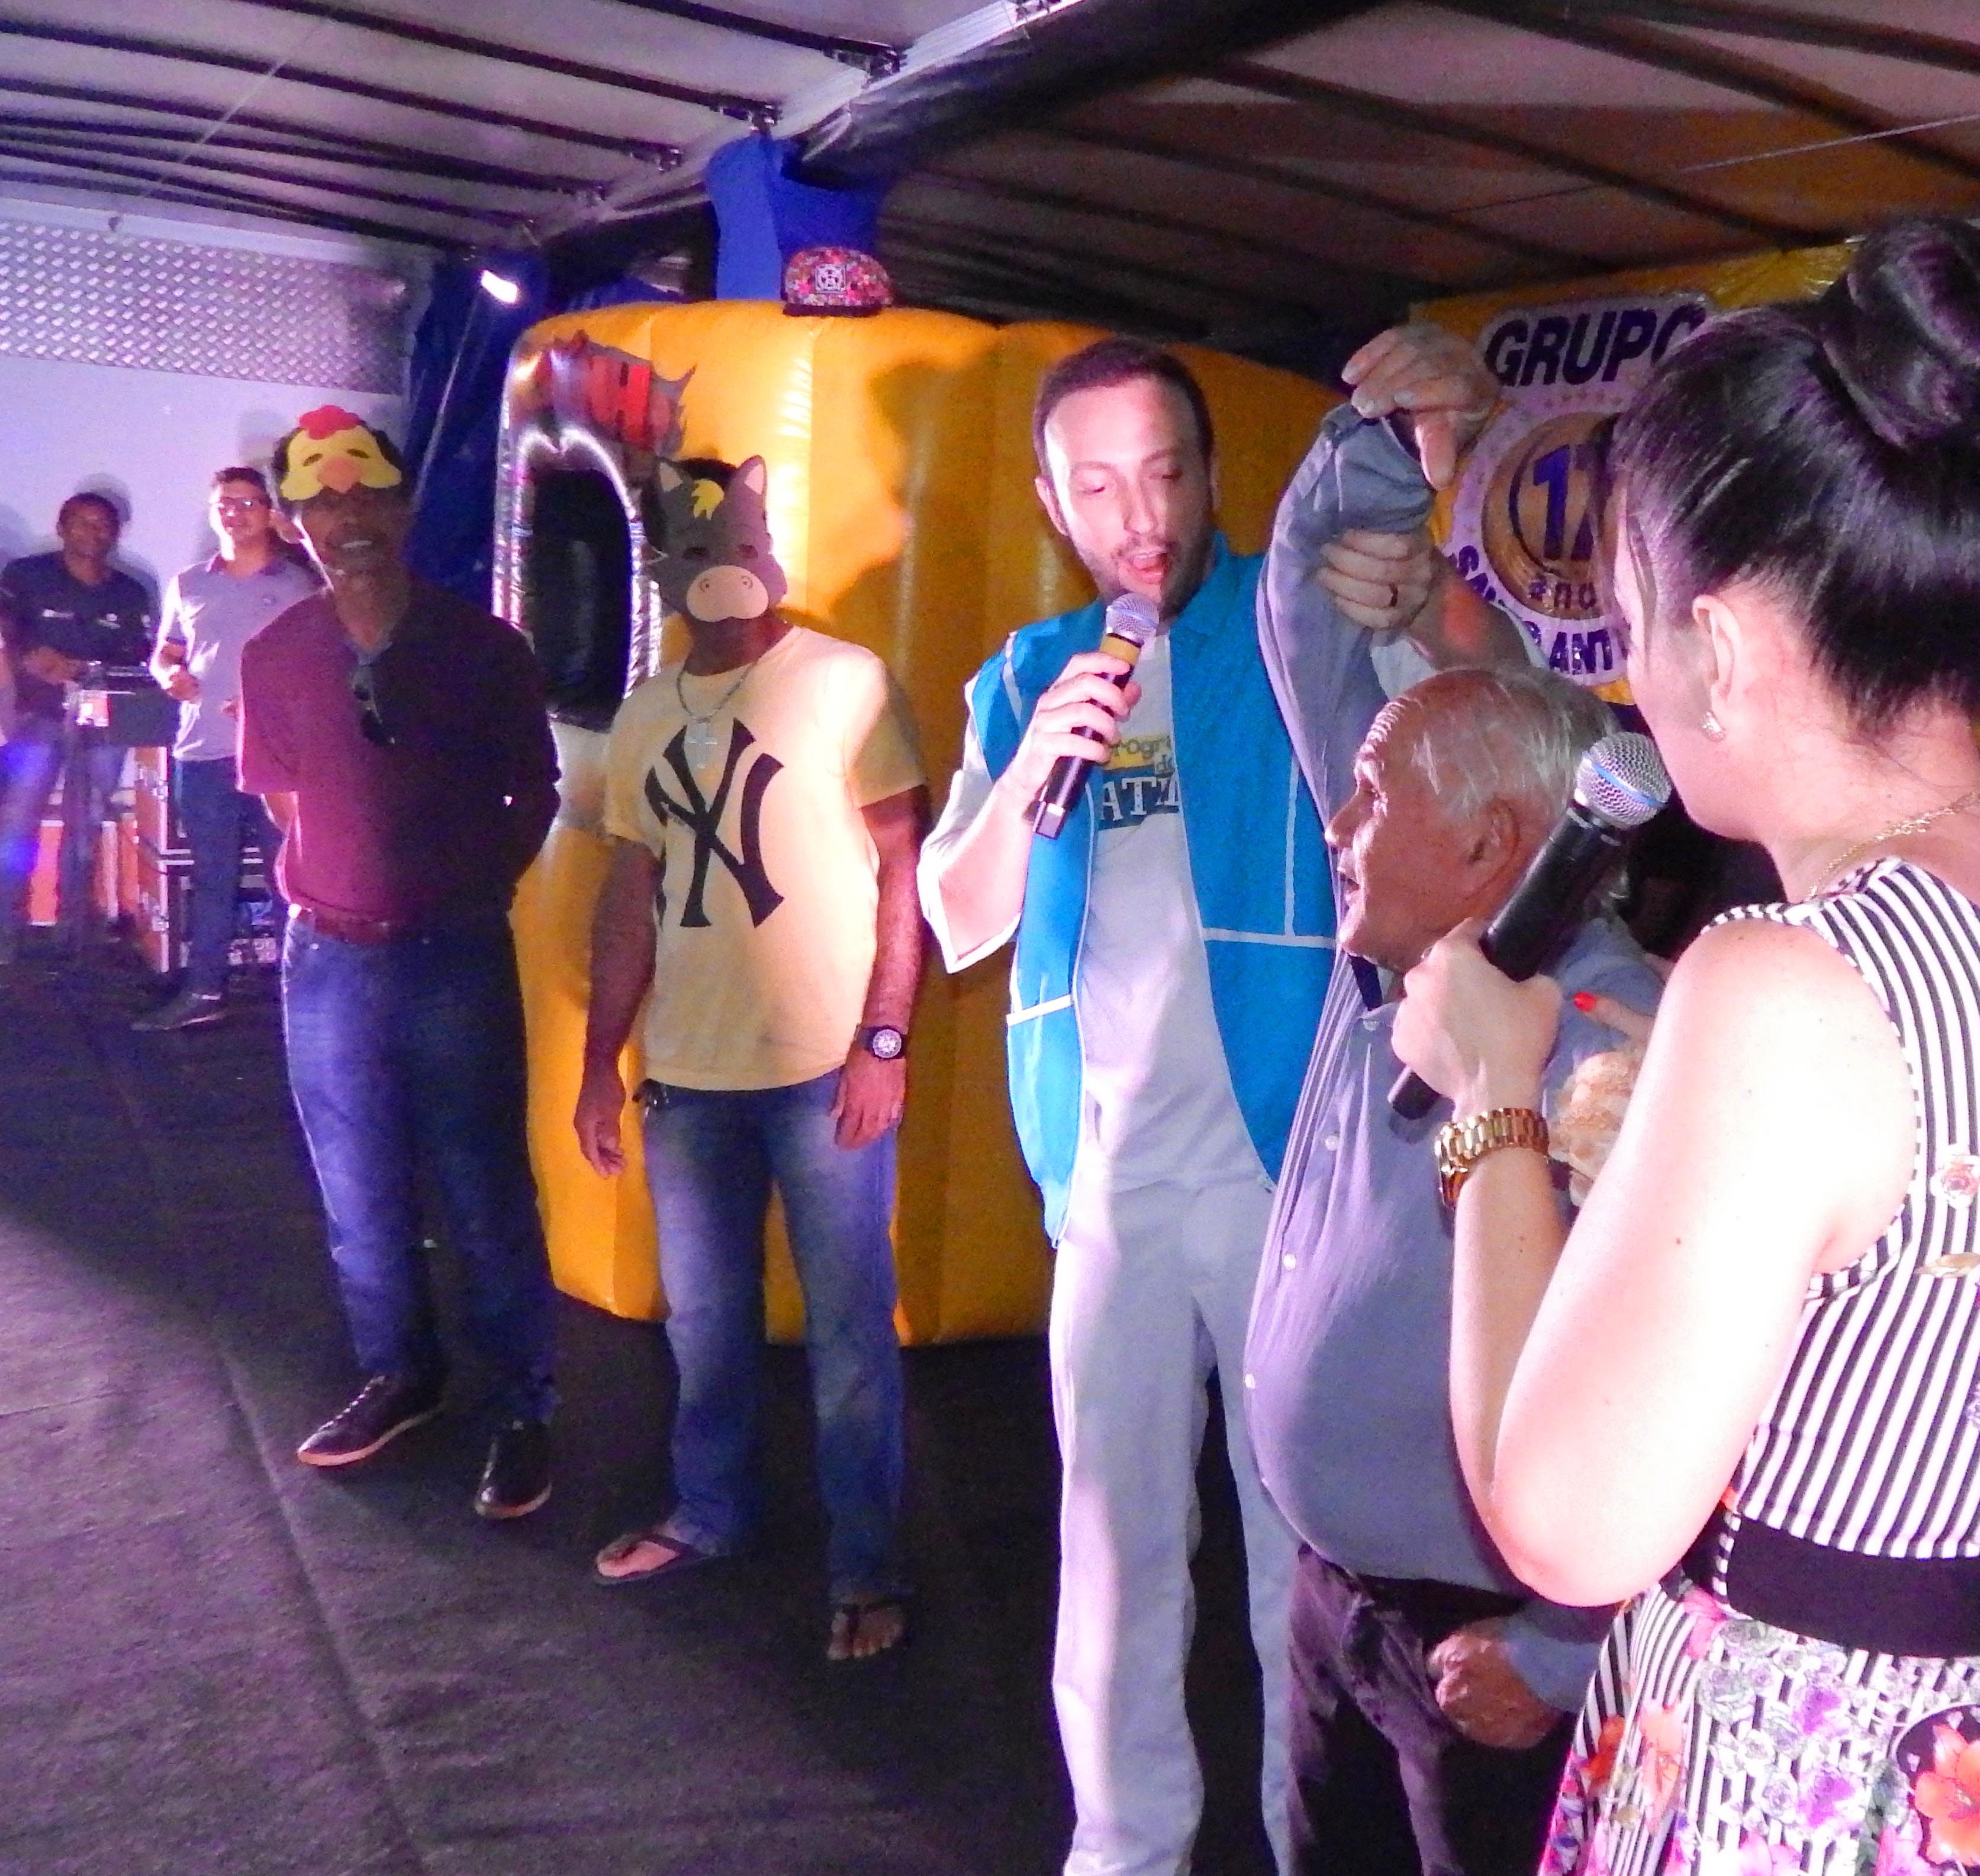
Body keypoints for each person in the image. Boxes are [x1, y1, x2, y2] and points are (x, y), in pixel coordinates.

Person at [1395, 220, 1980, 1874]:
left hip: (1841, 1782)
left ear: (1718, 647)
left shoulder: (1793, 980)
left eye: (1632, 619)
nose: (1631, 677)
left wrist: (1493, 1100)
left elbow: (1567, 1524)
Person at [920, 337, 1517, 1875]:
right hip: (1106, 1187)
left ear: (1208, 475)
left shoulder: (1299, 619)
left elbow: (1490, 709)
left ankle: (1295, 1831)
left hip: (1285, 1171)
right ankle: (1123, 1844)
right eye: (1099, 485)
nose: (1141, 516)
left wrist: (1433, 549)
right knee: (1115, 1556)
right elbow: (955, 917)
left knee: (1292, 1551)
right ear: (1053, 502)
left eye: (1166, 472)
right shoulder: (1027, 675)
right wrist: (1030, 768)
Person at [1242, 323, 1654, 1876]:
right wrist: (1385, 453)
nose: (1337, 820)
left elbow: (1700, 1390)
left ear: (1491, 850)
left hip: (1484, 1657)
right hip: (1335, 1608)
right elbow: (1308, 625)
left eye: (1374, 796)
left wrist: (1562, 1647)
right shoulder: (1403, 968)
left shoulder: (1613, 1039)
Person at [572, 455, 928, 1663]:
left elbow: (904, 870)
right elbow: (630, 895)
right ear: (663, 567)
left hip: (826, 1074)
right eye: (695, 545)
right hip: (688, 1082)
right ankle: (710, 1514)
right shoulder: (643, 715)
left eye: (738, 539)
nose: (722, 564)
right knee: (705, 1326)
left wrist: (884, 1040)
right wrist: (601, 1062)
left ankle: (866, 1567)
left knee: (849, 1340)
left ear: (768, 547)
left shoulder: (843, 680)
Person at [239, 406, 563, 1520]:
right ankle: (401, 1375)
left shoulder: (487, 649)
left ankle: (523, 1407)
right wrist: (346, 885)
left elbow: (536, 792)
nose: (348, 518)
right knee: (358, 1189)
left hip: (456, 952)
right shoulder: (274, 656)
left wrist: (473, 885)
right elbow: (285, 801)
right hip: (327, 962)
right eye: (321, 501)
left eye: (368, 493)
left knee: (484, 1188)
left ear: (406, 505)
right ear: (294, 522)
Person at [136, 466, 320, 1029]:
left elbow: (320, 664)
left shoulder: (297, 584)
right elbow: (166, 650)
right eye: (225, 504)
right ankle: (204, 992)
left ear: (268, 512)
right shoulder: (190, 583)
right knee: (212, 878)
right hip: (203, 751)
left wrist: (271, 702)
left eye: (247, 503)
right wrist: (168, 675)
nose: (235, 514)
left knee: (288, 877)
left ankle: (301, 998)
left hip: (276, 755)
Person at [0, 490, 154, 963]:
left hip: (104, 726)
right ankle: (7, 930)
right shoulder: (25, 577)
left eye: (104, 524)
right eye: (84, 522)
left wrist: (91, 670)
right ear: (62, 527)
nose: (95, 532)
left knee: (85, 825)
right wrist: (30, 659)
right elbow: (7, 637)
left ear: (117, 533)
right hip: (35, 718)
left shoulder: (131, 592)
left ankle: (74, 934)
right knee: (18, 823)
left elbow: (139, 658)